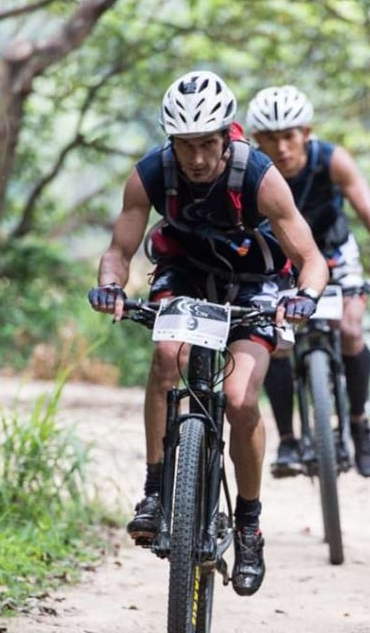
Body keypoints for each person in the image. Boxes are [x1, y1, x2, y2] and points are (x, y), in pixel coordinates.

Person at [88, 71, 329, 597]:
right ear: (170, 141)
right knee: (166, 358)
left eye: (206, 144)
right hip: (187, 273)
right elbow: (118, 251)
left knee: (240, 399)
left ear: (226, 136)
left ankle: (248, 527)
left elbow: (311, 258)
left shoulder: (259, 175)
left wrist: (304, 296)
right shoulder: (151, 174)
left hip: (256, 281)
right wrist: (110, 286)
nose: (196, 158)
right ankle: (155, 491)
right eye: (184, 145)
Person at [244, 85, 370, 479]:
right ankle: (287, 440)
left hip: (335, 256)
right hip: (281, 263)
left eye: (289, 136)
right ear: (257, 140)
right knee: (278, 342)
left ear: (306, 132)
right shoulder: (252, 171)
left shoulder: (332, 160)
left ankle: (359, 423)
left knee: (350, 329)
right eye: (271, 139)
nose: (282, 147)